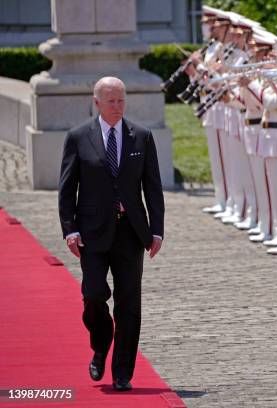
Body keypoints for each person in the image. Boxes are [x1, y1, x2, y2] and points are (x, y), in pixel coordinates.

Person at [58, 76, 165, 391]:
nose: (117, 106)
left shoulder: (141, 137)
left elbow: (153, 188)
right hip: (91, 231)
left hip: (131, 231)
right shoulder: (78, 137)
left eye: (121, 100)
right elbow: (67, 190)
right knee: (92, 295)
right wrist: (70, 229)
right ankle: (101, 343)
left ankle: (122, 372)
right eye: (111, 101)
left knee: (129, 302)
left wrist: (156, 231)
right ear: (97, 103)